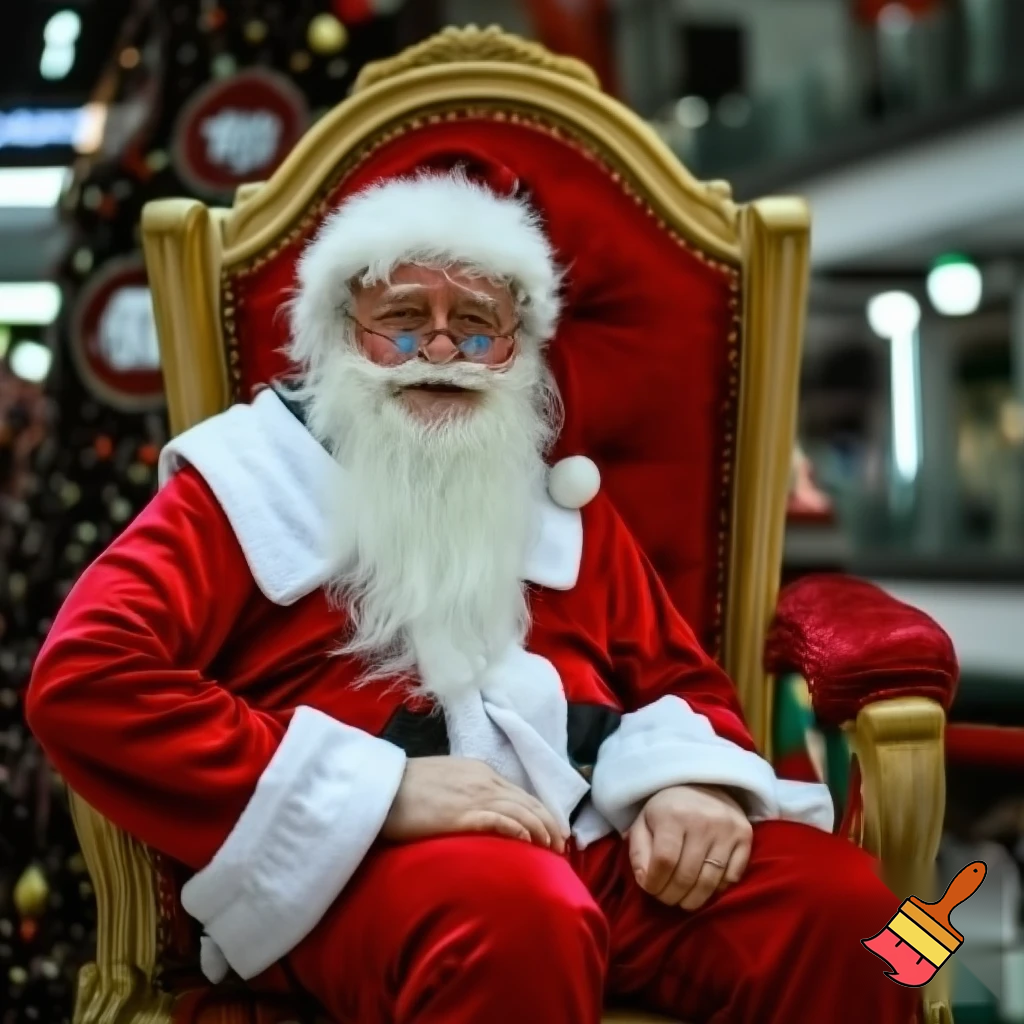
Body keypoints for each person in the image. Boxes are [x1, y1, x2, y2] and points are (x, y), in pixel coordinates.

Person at [27, 165, 918, 1024]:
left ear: (518, 351)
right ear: (341, 334)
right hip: (362, 863)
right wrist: (377, 794)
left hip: (595, 840)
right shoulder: (240, 484)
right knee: (518, 923)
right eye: (404, 319)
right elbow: (88, 679)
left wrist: (691, 787)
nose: (442, 349)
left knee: (871, 924)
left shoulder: (559, 501)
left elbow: (684, 684)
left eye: (478, 325)